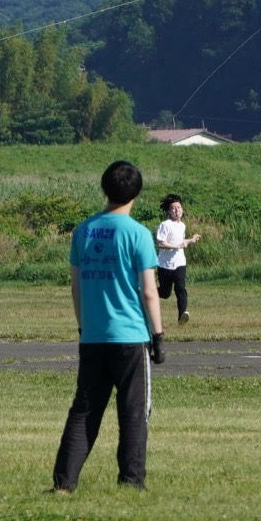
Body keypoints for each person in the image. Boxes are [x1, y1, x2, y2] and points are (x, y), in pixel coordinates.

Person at [52, 160, 165, 493]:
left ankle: (63, 483)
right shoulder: (138, 234)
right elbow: (149, 292)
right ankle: (131, 481)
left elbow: (76, 287)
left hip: (94, 335)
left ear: (104, 188)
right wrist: (157, 335)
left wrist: (83, 327)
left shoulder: (83, 231)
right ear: (136, 193)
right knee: (133, 411)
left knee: (85, 410)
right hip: (131, 337)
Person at [153, 194, 201, 326]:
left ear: (182, 209)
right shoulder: (165, 225)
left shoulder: (182, 226)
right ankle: (146, 292)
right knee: (165, 293)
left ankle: (182, 317)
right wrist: (177, 246)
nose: (177, 210)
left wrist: (191, 240)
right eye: (173, 208)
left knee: (181, 289)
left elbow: (181, 242)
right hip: (165, 265)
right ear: (169, 211)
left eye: (179, 207)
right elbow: (160, 243)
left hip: (180, 263)